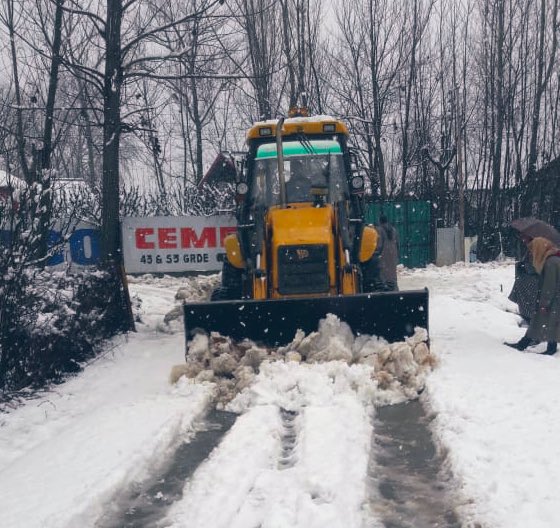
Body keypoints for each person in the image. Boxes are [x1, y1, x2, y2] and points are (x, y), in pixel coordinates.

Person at [505, 237, 560, 355]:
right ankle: (529, 344)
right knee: (549, 323)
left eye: (533, 249)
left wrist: (544, 303)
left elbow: (549, 285)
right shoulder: (554, 259)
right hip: (555, 299)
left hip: (552, 300)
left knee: (542, 322)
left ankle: (544, 348)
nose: (532, 252)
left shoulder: (550, 262)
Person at [377, 215, 399, 291]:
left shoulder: (379, 230)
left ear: (380, 221)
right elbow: (397, 244)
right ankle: (395, 291)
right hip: (393, 255)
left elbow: (378, 246)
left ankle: (386, 292)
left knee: (383, 276)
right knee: (392, 276)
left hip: (383, 256)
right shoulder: (393, 230)